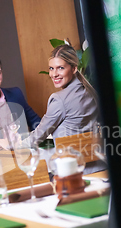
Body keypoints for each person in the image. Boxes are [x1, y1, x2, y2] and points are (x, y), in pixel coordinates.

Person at [26, 44, 104, 173]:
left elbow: (36, 138)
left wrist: (10, 143)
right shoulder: (90, 92)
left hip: (75, 172)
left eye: (60, 68)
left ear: (73, 68)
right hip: (100, 166)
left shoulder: (58, 100)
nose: (54, 74)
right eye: (51, 68)